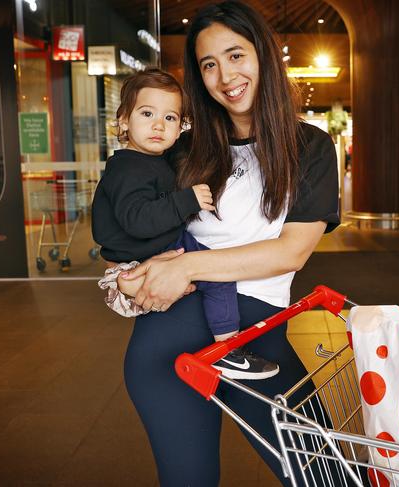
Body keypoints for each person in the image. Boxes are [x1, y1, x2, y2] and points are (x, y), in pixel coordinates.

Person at [116, 2, 339, 486]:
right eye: (209, 64)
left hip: (255, 340)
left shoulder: (310, 148)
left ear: (262, 55)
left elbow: (291, 252)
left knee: (325, 473)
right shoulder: (182, 148)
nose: (225, 76)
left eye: (235, 55)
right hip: (167, 345)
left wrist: (188, 268)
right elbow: (131, 216)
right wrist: (128, 273)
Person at [92, 68, 279, 380]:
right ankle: (227, 349)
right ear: (123, 120)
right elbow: (137, 219)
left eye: (170, 118)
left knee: (207, 274)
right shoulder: (128, 169)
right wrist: (186, 201)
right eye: (147, 113)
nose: (158, 125)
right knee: (218, 276)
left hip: (155, 246)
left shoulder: (151, 161)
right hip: (147, 248)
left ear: (180, 128)